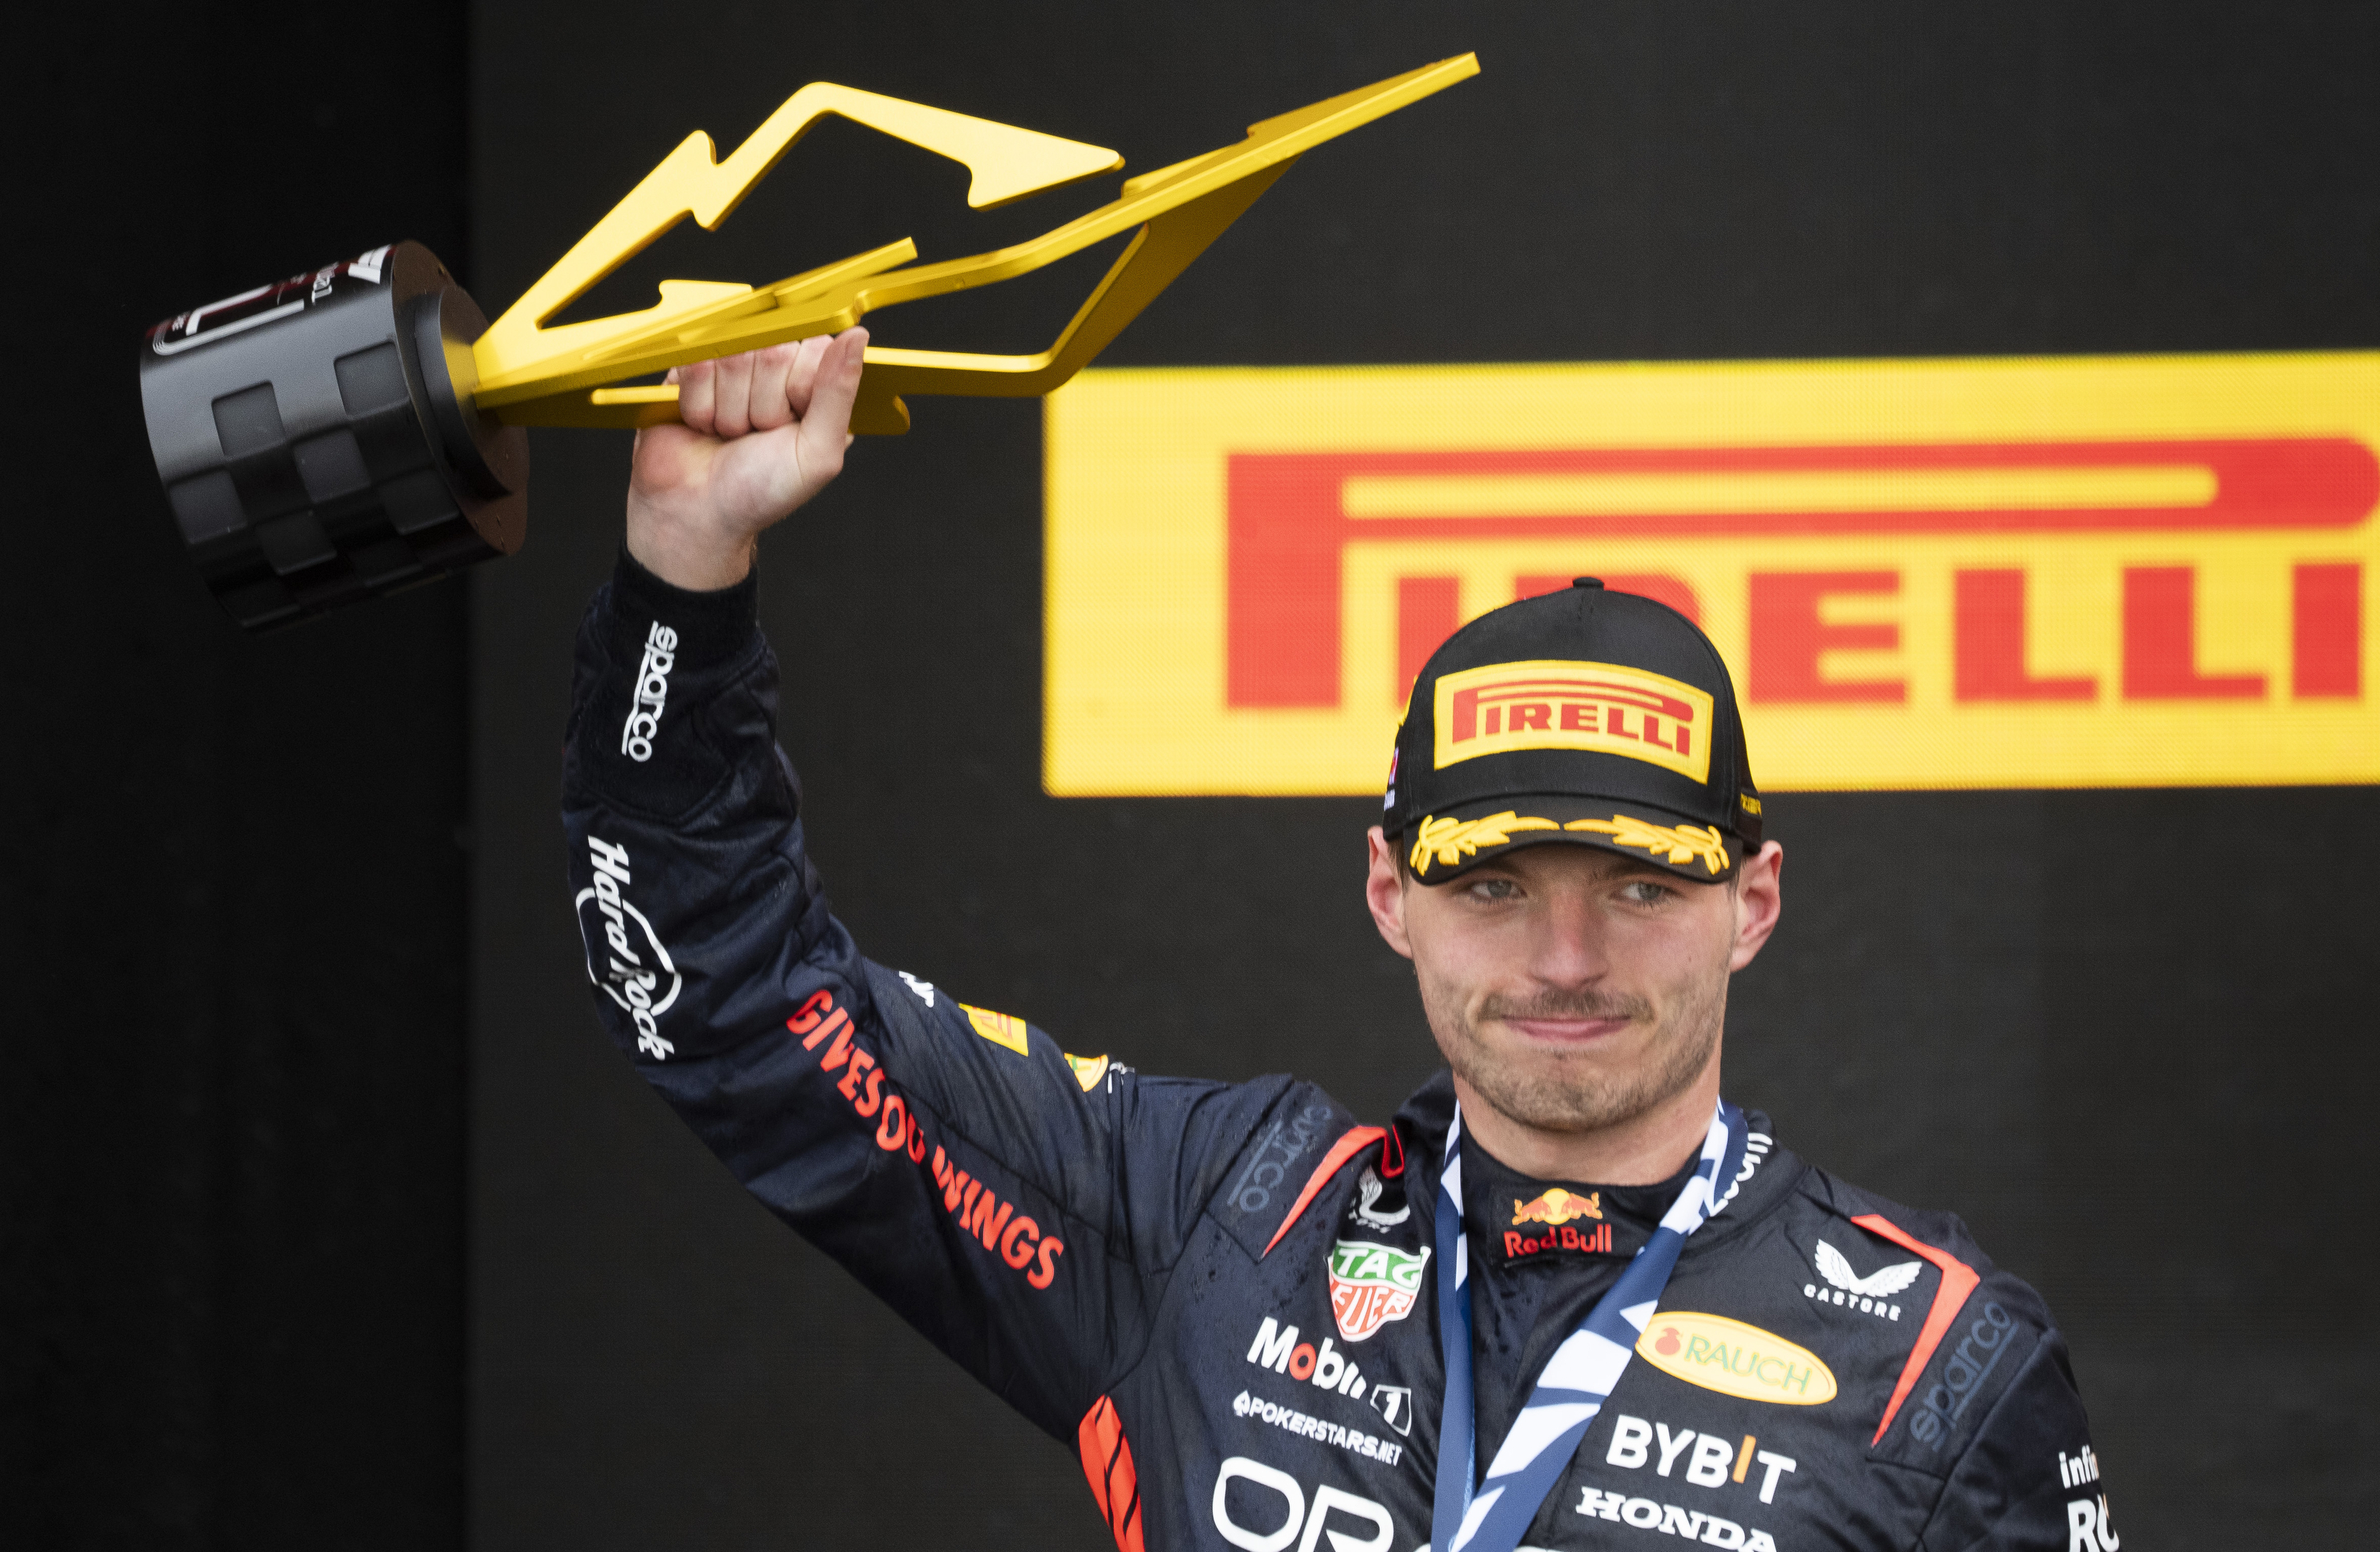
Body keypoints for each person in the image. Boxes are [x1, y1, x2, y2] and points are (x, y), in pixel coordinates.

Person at [562, 331, 2117, 1552]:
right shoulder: (1209, 1222)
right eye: (1495, 887)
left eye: (1638, 888)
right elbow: (732, 1002)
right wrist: (684, 571)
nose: (1566, 956)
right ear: (1390, 891)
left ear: (1753, 902)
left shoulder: (1937, 1367)